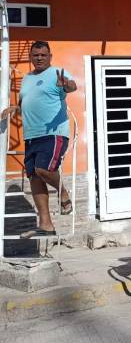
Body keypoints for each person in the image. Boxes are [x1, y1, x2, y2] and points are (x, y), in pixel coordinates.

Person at [1, 41, 75, 238]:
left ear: (50, 56)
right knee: (34, 176)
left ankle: (63, 194)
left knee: (44, 170)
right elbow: (24, 100)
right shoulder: (27, 78)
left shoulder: (57, 73)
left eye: (43, 55)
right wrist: (15, 108)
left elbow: (72, 86)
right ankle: (46, 225)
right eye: (35, 55)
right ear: (31, 57)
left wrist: (66, 85)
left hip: (54, 133)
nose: (39, 58)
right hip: (31, 135)